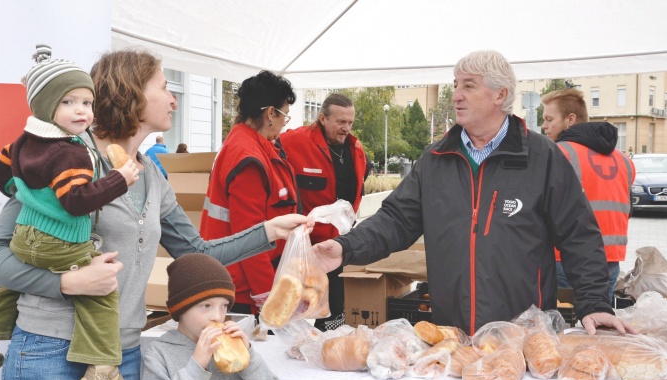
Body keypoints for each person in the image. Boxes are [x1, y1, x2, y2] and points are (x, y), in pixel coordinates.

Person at [0, 49, 309, 380]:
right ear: (131, 92)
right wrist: (65, 282)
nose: (173, 99)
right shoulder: (65, 157)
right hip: (51, 349)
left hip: (123, 352)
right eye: (165, 87)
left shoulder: (152, 176)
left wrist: (268, 231)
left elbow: (196, 252)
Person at [312, 50, 637, 337]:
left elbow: (579, 235)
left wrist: (595, 303)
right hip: (452, 335)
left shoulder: (542, 157)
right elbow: (395, 220)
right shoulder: (435, 159)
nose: (456, 95)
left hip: (524, 336)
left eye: (468, 85)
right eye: (455, 85)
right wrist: (344, 248)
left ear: (500, 95)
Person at [0, 45, 140, 380]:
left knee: (13, 284)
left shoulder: (25, 139)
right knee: (100, 295)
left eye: (86, 101)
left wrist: (22, 191)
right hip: (60, 242)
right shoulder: (70, 151)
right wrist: (119, 179)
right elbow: (76, 201)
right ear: (45, 105)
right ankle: (101, 369)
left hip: (26, 237)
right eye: (68, 102)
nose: (81, 110)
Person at [141, 253, 278, 380]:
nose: (217, 316)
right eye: (206, 306)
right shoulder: (158, 353)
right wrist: (196, 367)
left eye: (224, 306)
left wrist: (249, 358)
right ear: (180, 309)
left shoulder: (231, 349)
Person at [201, 70, 299, 316]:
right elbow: (250, 240)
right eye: (284, 115)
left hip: (234, 278)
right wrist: (269, 300)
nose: (284, 123)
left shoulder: (246, 145)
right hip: (241, 288)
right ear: (270, 114)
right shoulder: (249, 158)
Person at [278, 93, 368, 331]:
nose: (346, 128)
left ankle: (328, 342)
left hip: (336, 247)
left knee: (333, 313)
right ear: (322, 119)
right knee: (291, 312)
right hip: (301, 249)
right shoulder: (292, 142)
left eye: (350, 122)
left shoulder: (356, 149)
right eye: (340, 122)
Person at [541, 88, 635, 302]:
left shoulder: (559, 153)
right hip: (610, 260)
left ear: (570, 119)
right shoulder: (623, 160)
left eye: (549, 119)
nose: (544, 125)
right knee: (597, 326)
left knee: (561, 327)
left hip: (566, 259)